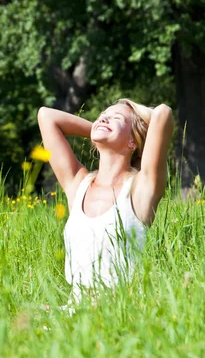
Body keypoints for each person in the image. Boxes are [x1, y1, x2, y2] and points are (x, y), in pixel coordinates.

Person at [37, 99, 174, 304]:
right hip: (75, 312)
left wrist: (113, 128)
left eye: (116, 118)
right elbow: (46, 116)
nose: (104, 118)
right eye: (103, 115)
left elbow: (163, 113)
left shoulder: (141, 189)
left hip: (122, 311)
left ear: (133, 142)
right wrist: (98, 129)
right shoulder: (78, 185)